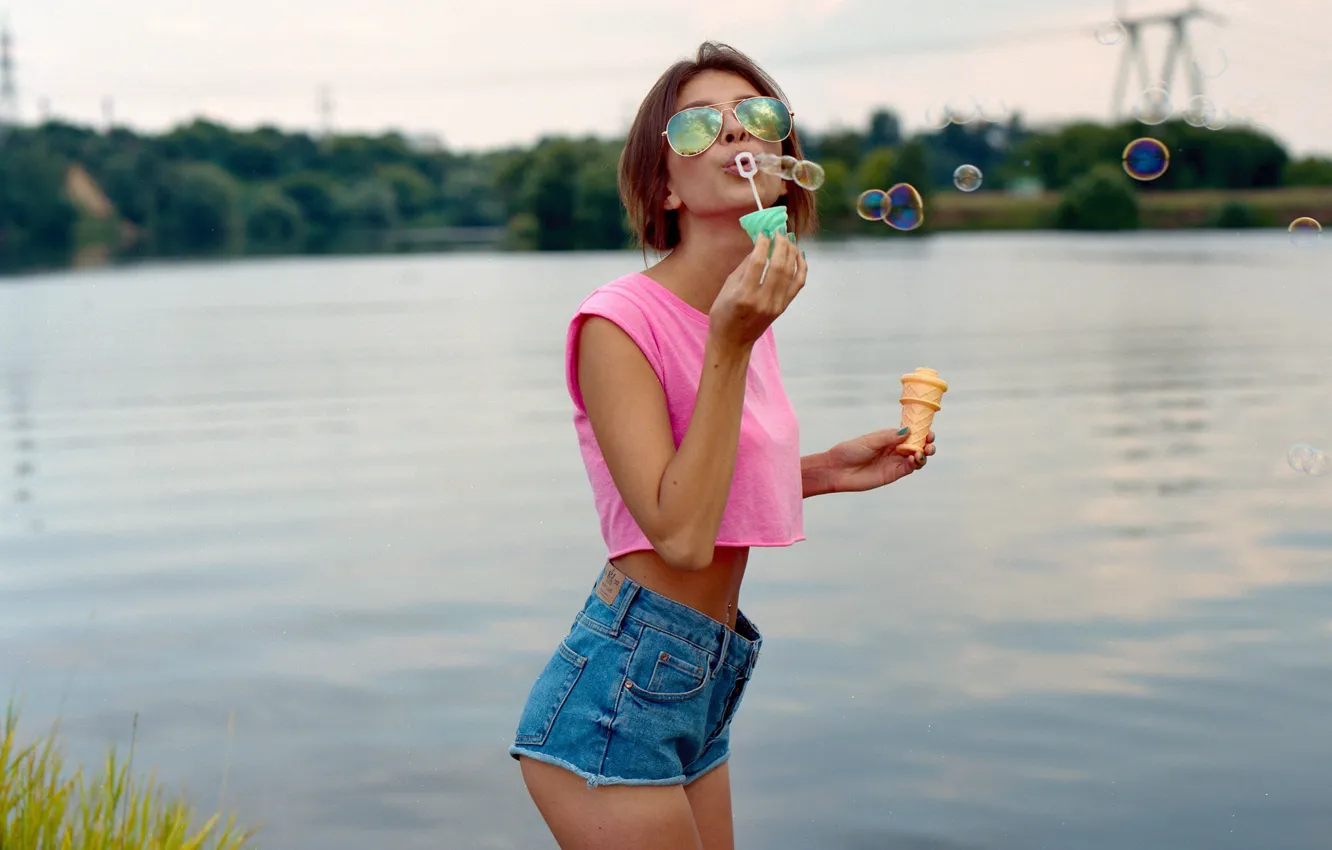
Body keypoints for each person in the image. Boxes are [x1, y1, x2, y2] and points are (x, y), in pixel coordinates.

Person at [507, 41, 937, 850]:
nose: (738, 137)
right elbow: (677, 533)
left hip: (700, 675)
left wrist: (820, 473)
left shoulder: (746, 307)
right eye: (702, 126)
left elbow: (701, 480)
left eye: (760, 119)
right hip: (620, 690)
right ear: (664, 186)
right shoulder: (618, 324)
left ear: (784, 159)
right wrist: (730, 344)